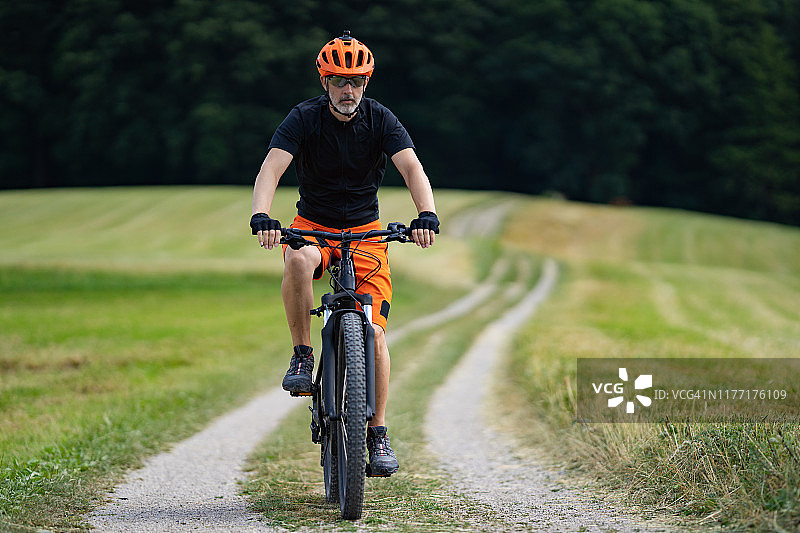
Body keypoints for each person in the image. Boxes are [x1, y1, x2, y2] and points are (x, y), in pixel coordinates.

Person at [249, 31, 439, 477]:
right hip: (313, 227)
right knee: (297, 260)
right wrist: (262, 214)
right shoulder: (304, 117)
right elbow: (272, 166)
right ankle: (302, 354)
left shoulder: (381, 119)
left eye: (355, 81)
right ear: (325, 81)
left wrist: (426, 214)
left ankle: (377, 432)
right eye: (338, 81)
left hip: (366, 233)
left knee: (373, 333)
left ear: (366, 81)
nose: (347, 90)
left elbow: (412, 166)